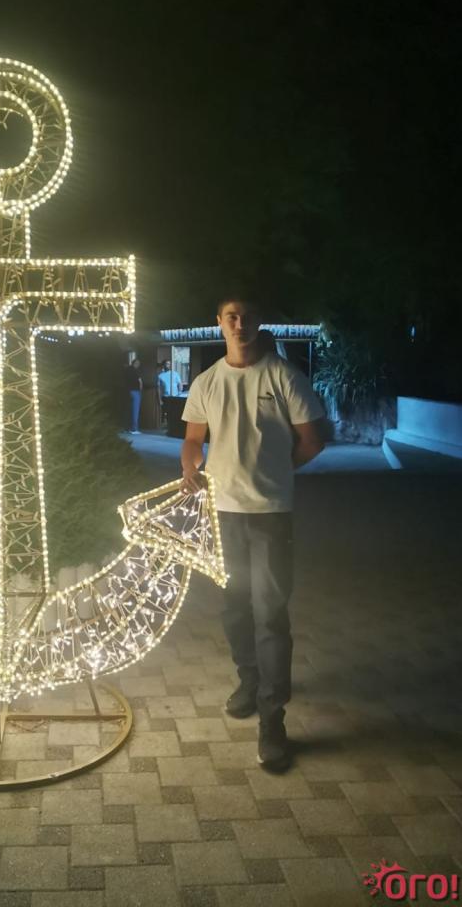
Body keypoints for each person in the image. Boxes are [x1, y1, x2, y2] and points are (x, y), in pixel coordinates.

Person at [180, 296, 325, 772]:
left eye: (246, 316)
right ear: (219, 323)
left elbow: (313, 439)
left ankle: (272, 718)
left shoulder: (283, 377)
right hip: (222, 514)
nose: (239, 324)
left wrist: (278, 472)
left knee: (271, 613)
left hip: (270, 515)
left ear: (259, 322)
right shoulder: (207, 381)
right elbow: (193, 439)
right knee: (234, 607)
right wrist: (190, 467)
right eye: (231, 317)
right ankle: (249, 680)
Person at [124, 357, 143, 433]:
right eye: (138, 364)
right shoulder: (135, 371)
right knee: (135, 410)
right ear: (136, 363)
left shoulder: (126, 370)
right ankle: (134, 429)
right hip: (135, 391)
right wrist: (140, 391)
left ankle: (127, 428)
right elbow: (140, 381)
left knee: (128, 410)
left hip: (127, 391)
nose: (139, 365)